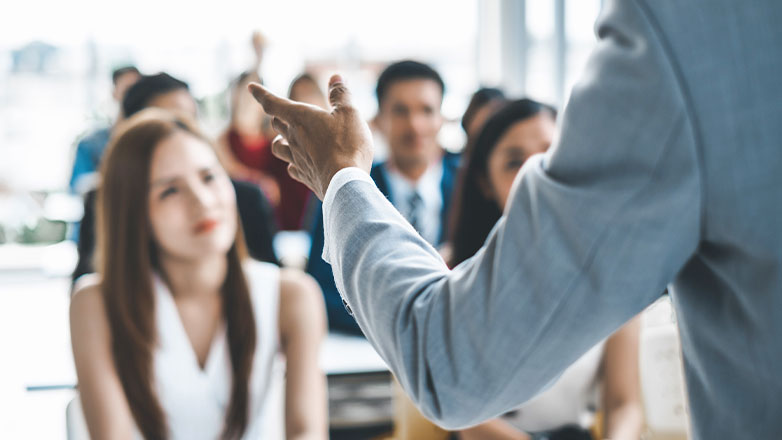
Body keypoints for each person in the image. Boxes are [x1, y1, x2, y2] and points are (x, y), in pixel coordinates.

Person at [248, 0, 782, 437]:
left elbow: (450, 363)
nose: (533, 174)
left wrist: (342, 177)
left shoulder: (682, 26)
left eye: (550, 157)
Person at [69, 109, 327, 439]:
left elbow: (307, 431)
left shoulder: (291, 296)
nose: (202, 202)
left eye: (209, 177)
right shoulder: (96, 304)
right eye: (170, 191)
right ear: (134, 214)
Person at [450, 99, 643, 440]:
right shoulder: (455, 277)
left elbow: (624, 403)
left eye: (550, 154)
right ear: (484, 182)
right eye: (514, 163)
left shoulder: (614, 274)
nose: (536, 174)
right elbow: (462, 416)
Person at [72, 73, 278, 285]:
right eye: (165, 122)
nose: (179, 133)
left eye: (189, 119)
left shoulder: (243, 199)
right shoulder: (106, 202)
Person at [305, 60, 459, 335]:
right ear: (379, 120)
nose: (415, 125)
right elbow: (321, 287)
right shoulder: (345, 189)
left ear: (441, 118)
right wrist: (399, 322)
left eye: (427, 110)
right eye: (400, 111)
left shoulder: (472, 185)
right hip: (368, 343)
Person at [69, 65, 140, 194]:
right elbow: (77, 187)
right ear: (114, 93)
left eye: (138, 90)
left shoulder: (153, 142)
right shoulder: (90, 144)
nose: (135, 96)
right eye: (128, 90)